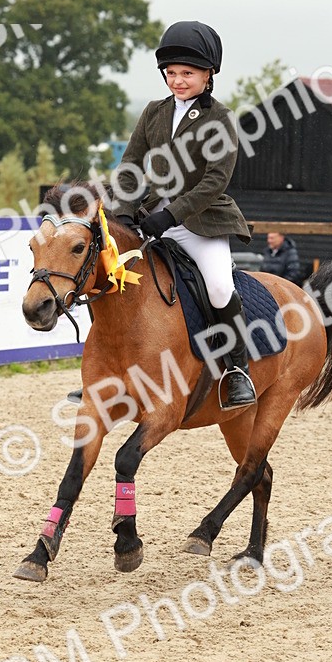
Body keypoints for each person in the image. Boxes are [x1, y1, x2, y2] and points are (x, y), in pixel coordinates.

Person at [107, 20, 256, 410]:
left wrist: (171, 215)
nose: (177, 81)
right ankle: (109, 372)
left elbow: (214, 182)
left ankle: (237, 370)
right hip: (152, 217)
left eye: (186, 74)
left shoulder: (219, 119)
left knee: (220, 287)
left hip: (201, 222)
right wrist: (122, 213)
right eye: (171, 73)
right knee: (116, 280)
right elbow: (130, 166)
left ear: (208, 75)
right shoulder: (154, 112)